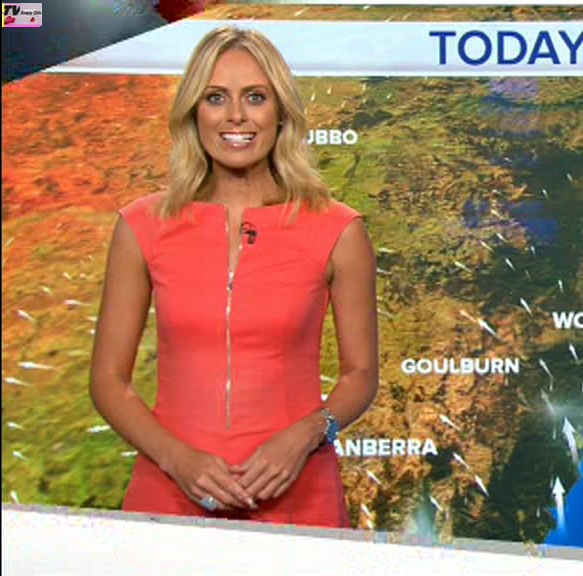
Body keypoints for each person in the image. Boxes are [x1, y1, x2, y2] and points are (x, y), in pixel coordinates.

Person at [89, 26, 378, 528]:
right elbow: (108, 381)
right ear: (193, 112)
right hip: (170, 496)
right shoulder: (142, 225)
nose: (236, 116)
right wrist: (179, 460)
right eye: (216, 97)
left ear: (281, 112)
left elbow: (361, 376)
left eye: (256, 97)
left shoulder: (338, 229)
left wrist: (307, 434)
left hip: (297, 497)